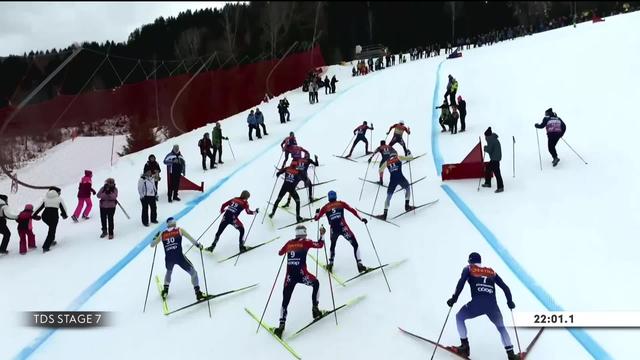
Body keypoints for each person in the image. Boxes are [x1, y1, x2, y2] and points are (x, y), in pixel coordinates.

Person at [446, 252, 519, 360]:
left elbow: (461, 283)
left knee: (459, 317)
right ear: (480, 261)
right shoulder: (491, 271)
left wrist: (454, 298)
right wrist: (510, 301)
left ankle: (465, 347)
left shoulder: (469, 268)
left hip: (477, 303)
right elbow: (505, 287)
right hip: (492, 306)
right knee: (501, 328)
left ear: (470, 261)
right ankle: (511, 355)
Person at [273, 224, 326, 338]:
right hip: (302, 275)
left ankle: (281, 325)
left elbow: (280, 253)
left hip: (289, 277)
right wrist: (322, 235)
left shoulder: (289, 243)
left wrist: (289, 249)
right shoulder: (306, 242)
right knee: (315, 283)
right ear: (304, 233)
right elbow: (320, 245)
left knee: (285, 300)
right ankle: (315, 308)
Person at [150, 217, 207, 302]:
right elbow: (191, 238)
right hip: (179, 257)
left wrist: (155, 237)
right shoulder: (179, 230)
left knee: (169, 271)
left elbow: (152, 245)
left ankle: (165, 290)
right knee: (193, 273)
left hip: (169, 259)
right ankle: (198, 292)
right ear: (174, 223)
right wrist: (198, 245)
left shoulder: (162, 234)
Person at [314, 191, 369, 273]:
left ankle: (330, 264)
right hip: (343, 227)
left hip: (333, 230)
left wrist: (317, 212)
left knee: (332, 246)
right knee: (355, 244)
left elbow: (316, 218)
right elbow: (352, 210)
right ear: (335, 196)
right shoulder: (341, 203)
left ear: (328, 198)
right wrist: (361, 218)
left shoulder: (325, 207)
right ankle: (359, 264)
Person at [375, 154, 416, 220]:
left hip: (392, 181)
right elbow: (411, 158)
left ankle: (384, 215)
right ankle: (407, 206)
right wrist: (410, 154)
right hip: (401, 179)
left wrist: (381, 177)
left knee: (388, 197)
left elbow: (380, 170)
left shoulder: (387, 162)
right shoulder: (398, 158)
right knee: (407, 188)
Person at [33, 187, 68, 253]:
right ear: (57, 192)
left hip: (45, 216)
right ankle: (46, 247)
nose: (60, 194)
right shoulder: (59, 199)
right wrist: (64, 215)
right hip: (53, 216)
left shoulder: (45, 198)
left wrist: (34, 215)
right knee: (52, 231)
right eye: (59, 192)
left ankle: (51, 240)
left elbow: (39, 207)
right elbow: (63, 208)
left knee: (51, 229)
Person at [481, 127, 504, 193]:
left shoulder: (490, 139)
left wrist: (485, 148)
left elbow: (490, 150)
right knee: (488, 168)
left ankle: (500, 187)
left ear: (487, 135)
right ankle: (488, 183)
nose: (485, 137)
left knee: (497, 173)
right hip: (495, 158)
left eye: (485, 135)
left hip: (495, 159)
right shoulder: (493, 138)